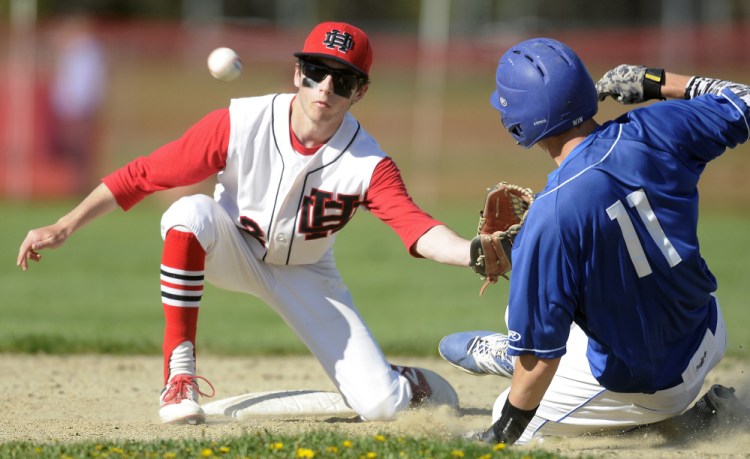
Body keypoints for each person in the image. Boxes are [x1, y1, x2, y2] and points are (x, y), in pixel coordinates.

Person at [17, 21, 471, 425]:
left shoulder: (368, 163)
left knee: (381, 407)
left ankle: (407, 382)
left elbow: (418, 228)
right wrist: (65, 225)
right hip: (232, 248)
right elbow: (142, 175)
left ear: (360, 92)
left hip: (307, 274)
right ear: (298, 74)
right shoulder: (240, 122)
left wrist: (472, 251)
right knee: (188, 213)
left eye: (344, 79)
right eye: (316, 71)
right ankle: (179, 374)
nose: (325, 88)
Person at [438, 37, 750, 445]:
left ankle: (682, 423)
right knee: (548, 294)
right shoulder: (656, 126)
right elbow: (743, 98)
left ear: (518, 120)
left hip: (651, 386)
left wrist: (503, 431)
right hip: (707, 333)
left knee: (514, 400)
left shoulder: (550, 216)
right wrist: (657, 81)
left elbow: (540, 361)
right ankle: (518, 347)